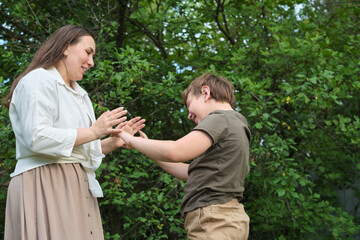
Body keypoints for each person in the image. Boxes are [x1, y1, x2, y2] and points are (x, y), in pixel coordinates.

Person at [2, 24, 145, 240]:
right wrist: (94, 131)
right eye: (88, 52)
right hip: (44, 182)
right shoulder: (38, 80)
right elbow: (37, 138)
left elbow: (78, 149)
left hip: (77, 186)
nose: (91, 62)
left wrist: (110, 143)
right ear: (66, 47)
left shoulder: (81, 94)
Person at [118, 73, 251, 240]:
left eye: (189, 105)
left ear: (205, 93)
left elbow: (176, 151)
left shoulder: (220, 118)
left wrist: (128, 138)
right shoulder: (236, 124)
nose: (189, 115)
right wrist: (146, 148)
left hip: (214, 219)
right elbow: (192, 173)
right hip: (226, 219)